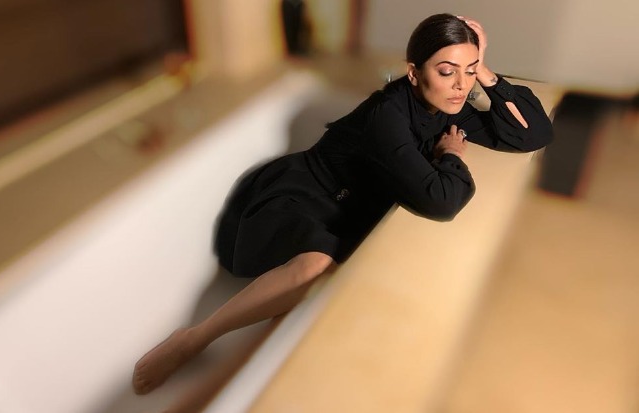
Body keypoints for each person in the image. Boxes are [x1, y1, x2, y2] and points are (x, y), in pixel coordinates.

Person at [132, 13, 553, 396]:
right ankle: (195, 339)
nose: (461, 85)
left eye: (469, 71)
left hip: (349, 206)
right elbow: (441, 203)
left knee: (322, 291)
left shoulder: (448, 104)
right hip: (303, 197)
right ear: (414, 72)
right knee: (317, 267)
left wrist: (487, 73)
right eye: (447, 71)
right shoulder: (388, 116)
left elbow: (532, 134)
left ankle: (245, 373)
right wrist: (452, 158)